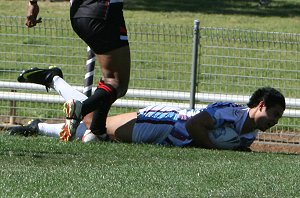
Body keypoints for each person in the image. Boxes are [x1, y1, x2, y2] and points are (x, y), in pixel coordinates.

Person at [11, 68, 286, 151]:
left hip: (165, 134)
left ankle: (38, 125)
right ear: (260, 105)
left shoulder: (249, 135)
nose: (274, 121)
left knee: (93, 132)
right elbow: (195, 125)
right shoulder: (233, 113)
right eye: (273, 113)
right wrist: (212, 147)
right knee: (95, 126)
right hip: (163, 122)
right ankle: (53, 80)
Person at [23, 0, 131, 142]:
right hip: (104, 11)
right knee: (117, 83)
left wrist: (33, 3)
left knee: (109, 77)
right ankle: (79, 110)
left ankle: (97, 132)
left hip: (79, 16)